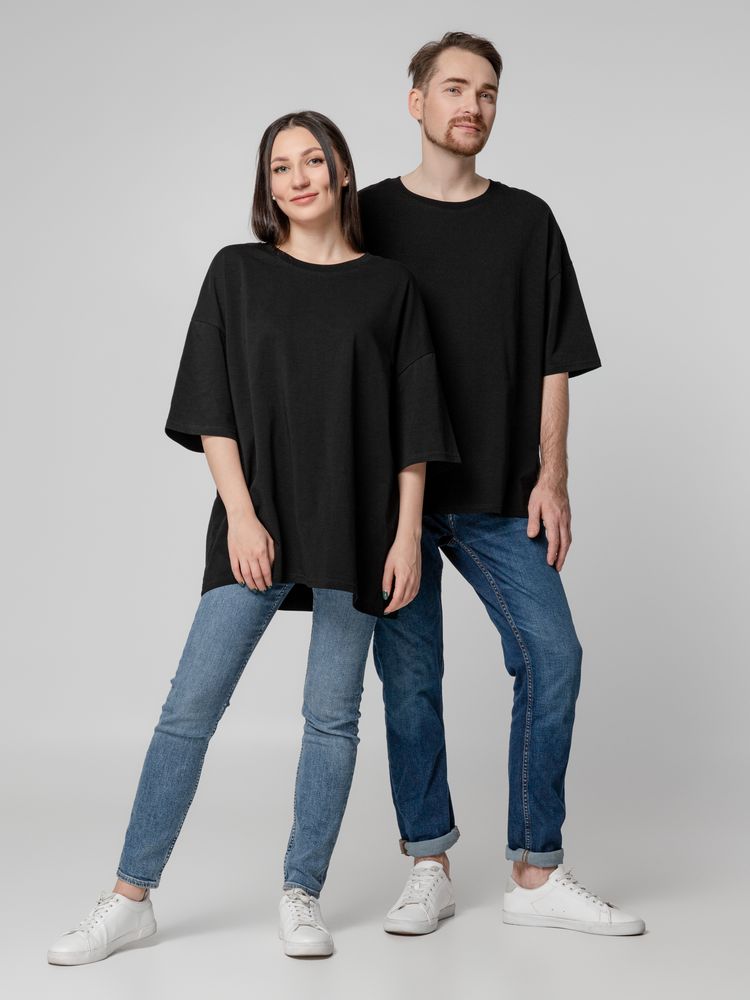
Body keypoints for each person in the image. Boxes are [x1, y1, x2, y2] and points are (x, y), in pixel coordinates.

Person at [46, 110, 461, 965]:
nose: (298, 177)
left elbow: (414, 427)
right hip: (258, 521)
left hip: (359, 527)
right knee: (188, 710)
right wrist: (240, 512)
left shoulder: (389, 288)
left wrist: (406, 535)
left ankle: (301, 892)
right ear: (267, 185)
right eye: (280, 166)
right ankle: (130, 898)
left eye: (313, 160)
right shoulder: (237, 272)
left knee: (331, 718)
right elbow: (213, 408)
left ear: (342, 172)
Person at [358, 31, 646, 936]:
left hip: (498, 491)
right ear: (416, 101)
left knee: (553, 656)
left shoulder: (528, 221)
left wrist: (553, 476)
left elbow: (556, 357)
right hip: (392, 500)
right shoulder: (366, 216)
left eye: (486, 92)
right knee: (411, 682)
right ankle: (428, 864)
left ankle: (534, 872)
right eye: (453, 88)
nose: (472, 105)